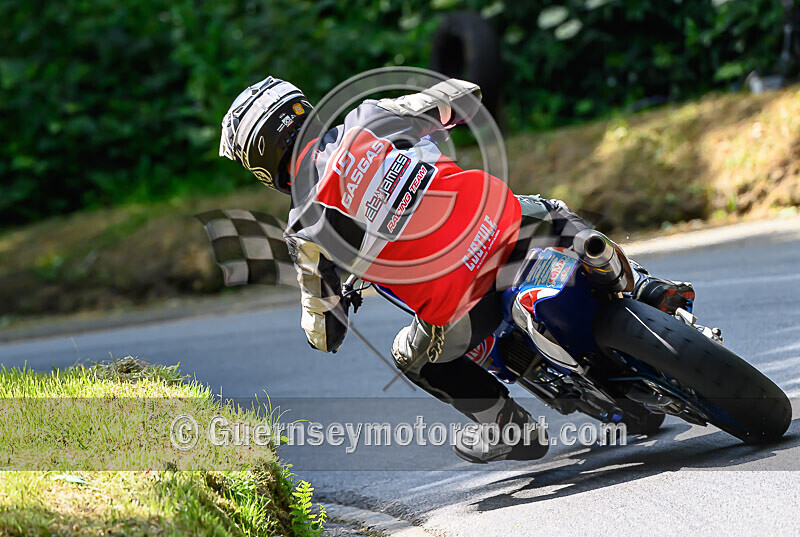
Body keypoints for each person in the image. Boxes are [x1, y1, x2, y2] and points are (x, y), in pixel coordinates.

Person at [218, 75, 695, 463]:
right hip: (504, 225)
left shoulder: (305, 226)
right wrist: (438, 124)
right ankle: (646, 286)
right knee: (551, 211)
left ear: (261, 165)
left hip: (464, 304)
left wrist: (337, 302)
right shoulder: (371, 116)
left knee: (411, 358)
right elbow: (463, 96)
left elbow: (324, 334)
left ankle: (507, 427)